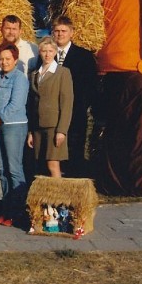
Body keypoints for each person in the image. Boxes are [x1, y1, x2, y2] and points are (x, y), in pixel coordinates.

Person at [0, 43, 30, 227]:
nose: (4, 62)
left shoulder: (20, 79)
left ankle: (17, 212)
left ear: (15, 60)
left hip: (13, 126)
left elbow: (16, 104)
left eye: (8, 59)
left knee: (14, 169)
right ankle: (5, 210)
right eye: (1, 59)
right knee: (2, 169)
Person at [51, 16, 99, 177]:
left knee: (74, 154)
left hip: (75, 113)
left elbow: (90, 85)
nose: (60, 34)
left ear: (71, 33)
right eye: (57, 31)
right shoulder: (47, 54)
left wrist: (81, 106)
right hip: (52, 114)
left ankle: (73, 193)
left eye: (63, 31)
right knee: (54, 154)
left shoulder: (83, 56)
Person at [27, 37, 73, 179]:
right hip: (37, 127)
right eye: (44, 51)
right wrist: (31, 131)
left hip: (54, 127)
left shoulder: (62, 72)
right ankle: (47, 199)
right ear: (39, 53)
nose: (47, 54)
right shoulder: (34, 74)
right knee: (41, 166)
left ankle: (60, 199)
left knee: (53, 165)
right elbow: (31, 104)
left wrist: (62, 131)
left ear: (55, 52)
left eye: (50, 51)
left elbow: (67, 103)